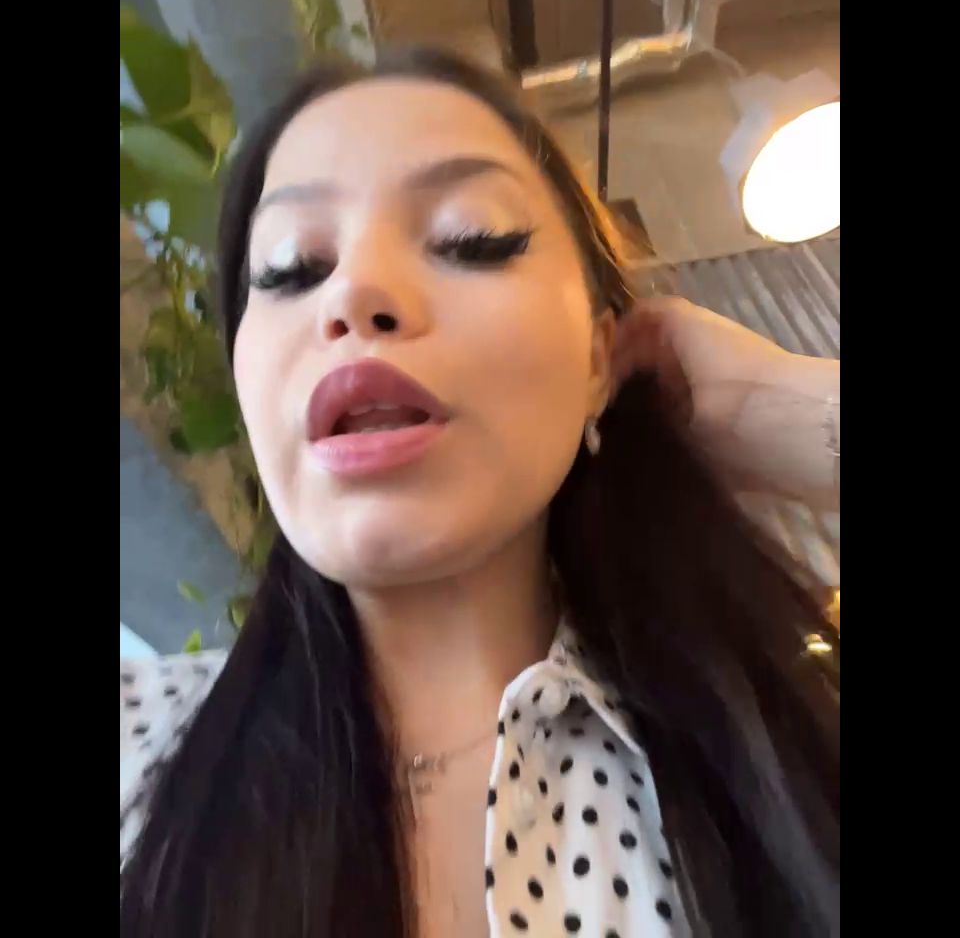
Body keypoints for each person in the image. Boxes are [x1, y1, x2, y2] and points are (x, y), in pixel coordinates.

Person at [120, 48, 839, 938]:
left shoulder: (785, 759)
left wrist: (792, 413)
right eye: (290, 267)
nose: (353, 294)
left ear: (598, 361)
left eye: (472, 238)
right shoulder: (138, 741)